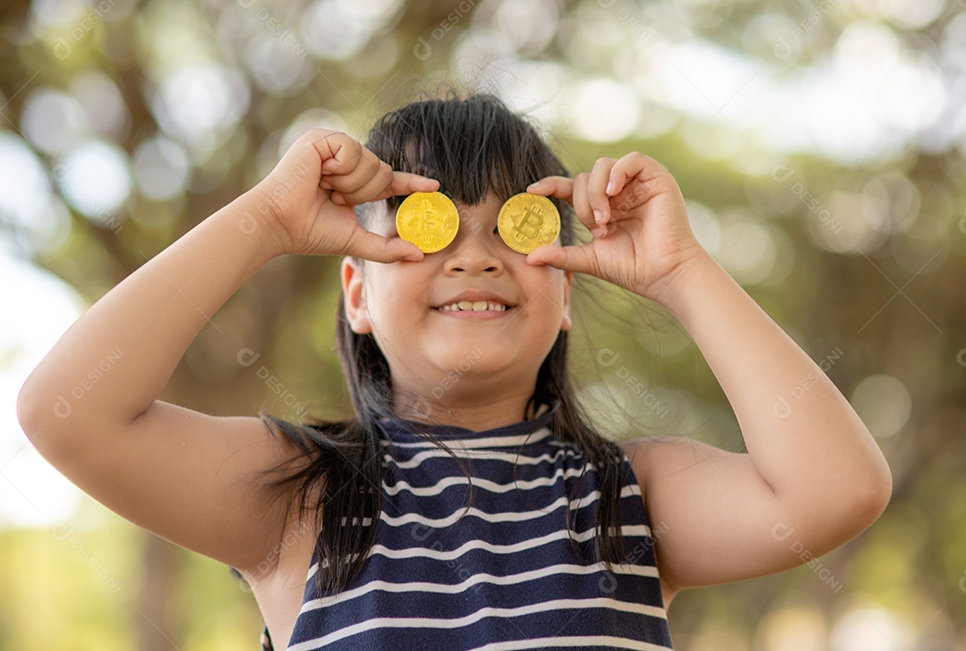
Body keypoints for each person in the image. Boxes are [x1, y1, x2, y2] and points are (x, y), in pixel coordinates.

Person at [17, 93, 892, 650]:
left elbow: (837, 489)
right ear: (356, 293)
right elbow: (67, 412)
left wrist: (682, 273)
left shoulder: (629, 495)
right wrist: (269, 219)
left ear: (568, 293)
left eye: (517, 227)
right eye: (426, 224)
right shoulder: (302, 498)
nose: (475, 259)